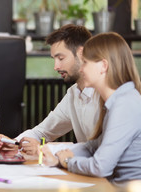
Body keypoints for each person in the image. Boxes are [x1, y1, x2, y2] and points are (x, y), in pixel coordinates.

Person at [42, 32, 141, 185]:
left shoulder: (125, 104)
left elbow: (100, 167)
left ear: (103, 66)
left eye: (86, 63)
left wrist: (68, 161)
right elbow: (94, 146)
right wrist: (57, 156)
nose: (81, 70)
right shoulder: (116, 101)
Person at [0, 24, 100, 154]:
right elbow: (42, 132)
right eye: (54, 59)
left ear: (81, 53)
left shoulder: (105, 94)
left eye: (61, 58)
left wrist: (44, 149)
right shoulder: (73, 93)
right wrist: (13, 142)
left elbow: (97, 148)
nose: (56, 66)